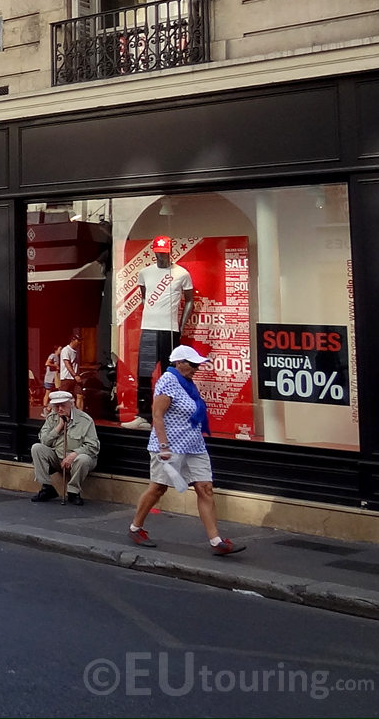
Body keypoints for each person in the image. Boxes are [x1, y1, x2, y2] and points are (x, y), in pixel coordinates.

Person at [129, 344, 245, 555]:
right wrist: (164, 446)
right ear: (179, 363)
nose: (196, 369)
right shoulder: (168, 382)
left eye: (197, 365)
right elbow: (157, 416)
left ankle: (216, 541)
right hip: (170, 445)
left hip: (194, 445)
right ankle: (136, 528)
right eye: (192, 365)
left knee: (205, 488)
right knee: (158, 488)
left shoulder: (188, 384)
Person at [130, 235, 195, 428]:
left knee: (171, 373)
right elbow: (144, 295)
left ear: (170, 252)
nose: (161, 257)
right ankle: (143, 416)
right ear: (154, 253)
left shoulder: (181, 273)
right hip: (149, 328)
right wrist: (150, 313)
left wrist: (181, 326)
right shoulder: (145, 272)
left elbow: (190, 300)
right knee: (144, 372)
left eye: (164, 253)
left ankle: (172, 413)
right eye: (158, 253)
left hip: (169, 330)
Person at [31, 390, 100, 504]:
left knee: (83, 459)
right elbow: (44, 441)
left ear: (71, 405)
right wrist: (59, 427)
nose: (60, 409)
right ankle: (46, 488)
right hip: (57, 457)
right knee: (37, 448)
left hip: (76, 460)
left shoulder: (85, 420)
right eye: (56, 406)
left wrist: (74, 454)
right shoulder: (52, 418)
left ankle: (73, 492)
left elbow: (93, 446)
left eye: (63, 405)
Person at [57, 329, 81, 400]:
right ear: (72, 340)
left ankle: (79, 411)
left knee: (80, 396)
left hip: (75, 379)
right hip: (67, 378)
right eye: (78, 340)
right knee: (62, 397)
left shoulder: (76, 351)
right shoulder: (66, 350)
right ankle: (49, 408)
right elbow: (67, 364)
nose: (79, 342)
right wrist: (75, 375)